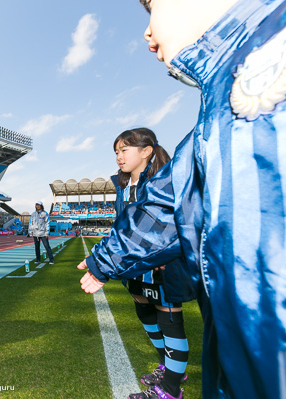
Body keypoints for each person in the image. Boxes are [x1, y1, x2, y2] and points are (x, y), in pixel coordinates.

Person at [78, 1, 286, 398]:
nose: (147, 31)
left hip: (254, 328)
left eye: (151, 7)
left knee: (171, 321)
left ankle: (171, 383)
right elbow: (167, 209)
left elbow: (169, 210)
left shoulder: (265, 60)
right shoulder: (222, 94)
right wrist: (106, 259)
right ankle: (168, 373)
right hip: (248, 343)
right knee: (152, 318)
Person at [110, 128, 193, 399]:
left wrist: (163, 256)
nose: (119, 157)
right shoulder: (123, 186)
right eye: (116, 152)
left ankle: (170, 390)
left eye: (124, 150)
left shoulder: (163, 181)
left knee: (170, 321)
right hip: (136, 266)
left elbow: (171, 224)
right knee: (145, 312)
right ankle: (170, 368)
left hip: (163, 265)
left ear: (146, 151)